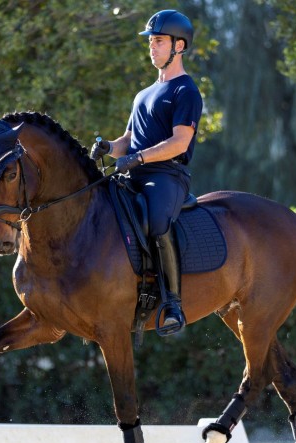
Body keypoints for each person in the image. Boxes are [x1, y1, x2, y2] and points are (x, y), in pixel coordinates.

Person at [91, 9, 203, 336]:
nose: (151, 48)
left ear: (179, 46)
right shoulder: (142, 94)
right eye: (150, 42)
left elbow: (181, 142)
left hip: (167, 176)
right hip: (133, 172)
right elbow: (127, 141)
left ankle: (172, 303)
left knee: (156, 220)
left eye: (158, 41)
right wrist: (106, 147)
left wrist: (138, 159)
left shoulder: (186, 91)